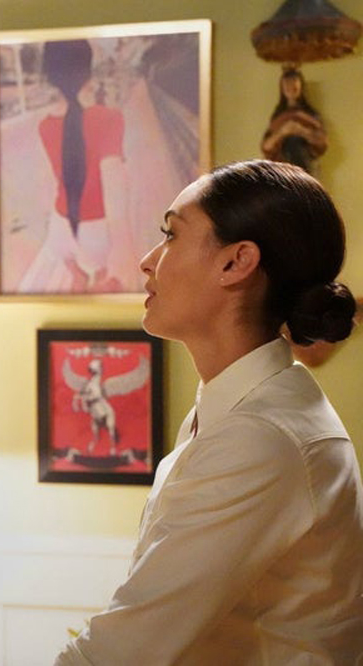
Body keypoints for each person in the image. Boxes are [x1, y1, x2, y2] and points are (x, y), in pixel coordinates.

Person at [56, 159, 363, 664]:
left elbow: (123, 652)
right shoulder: (239, 409)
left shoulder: (262, 436)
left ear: (236, 262)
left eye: (171, 235)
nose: (147, 261)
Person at [19, 39, 127, 294]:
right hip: (97, 233)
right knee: (102, 284)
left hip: (60, 228)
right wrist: (123, 250)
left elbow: (49, 185)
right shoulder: (109, 118)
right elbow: (115, 194)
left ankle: (78, 276)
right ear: (87, 70)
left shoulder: (45, 125)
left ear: (50, 76)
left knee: (76, 280)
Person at [260, 67, 328, 173]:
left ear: (300, 87)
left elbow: (322, 143)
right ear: (282, 89)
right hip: (282, 169)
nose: (291, 89)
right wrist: (282, 132)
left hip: (306, 168)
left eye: (294, 86)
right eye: (287, 86)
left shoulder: (310, 114)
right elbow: (266, 147)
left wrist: (302, 131)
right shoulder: (278, 116)